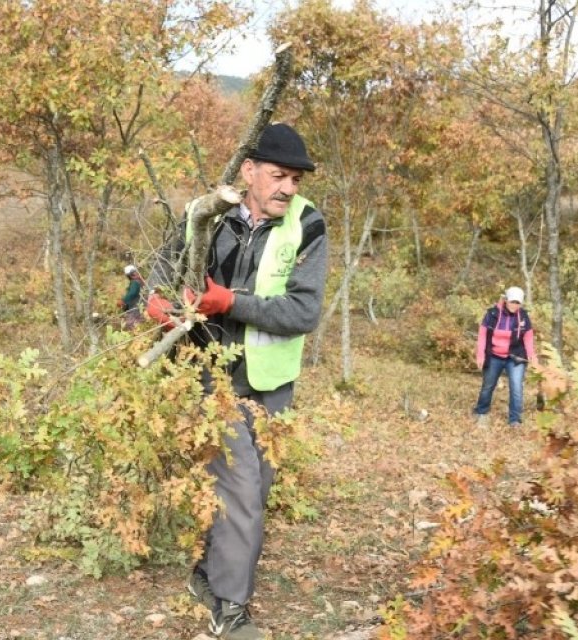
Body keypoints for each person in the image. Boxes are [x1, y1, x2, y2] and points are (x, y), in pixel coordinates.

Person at [145, 123, 328, 640]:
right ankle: (230, 608)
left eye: (294, 178)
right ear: (248, 171)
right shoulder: (203, 215)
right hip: (209, 375)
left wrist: (231, 302)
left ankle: (206, 575)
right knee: (242, 486)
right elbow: (160, 275)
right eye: (278, 176)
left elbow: (304, 311)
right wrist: (153, 303)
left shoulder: (306, 224)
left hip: (270, 382)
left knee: (255, 487)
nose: (288, 188)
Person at [473, 286, 537, 428]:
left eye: (518, 303)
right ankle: (481, 411)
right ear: (506, 300)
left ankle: (515, 419)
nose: (515, 305)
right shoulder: (493, 314)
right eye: (512, 301)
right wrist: (480, 354)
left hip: (515, 356)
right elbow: (483, 334)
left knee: (516, 387)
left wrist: (532, 354)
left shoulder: (524, 316)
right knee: (488, 384)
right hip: (494, 354)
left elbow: (528, 336)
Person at [119, 264, 144, 330]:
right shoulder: (140, 280)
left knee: (130, 324)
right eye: (134, 272)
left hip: (136, 305)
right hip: (141, 304)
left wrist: (123, 300)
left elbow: (132, 293)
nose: (135, 274)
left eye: (135, 272)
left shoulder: (135, 282)